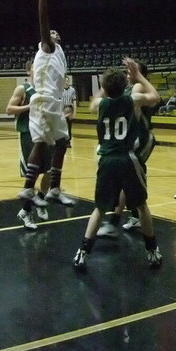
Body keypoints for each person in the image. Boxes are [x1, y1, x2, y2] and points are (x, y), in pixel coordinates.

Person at [73, 58, 162, 271]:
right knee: (141, 205)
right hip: (127, 158)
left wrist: (103, 88)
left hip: (106, 159)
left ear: (105, 86)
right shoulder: (132, 100)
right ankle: (152, 251)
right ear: (125, 86)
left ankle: (83, 252)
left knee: (100, 208)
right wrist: (139, 76)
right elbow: (156, 97)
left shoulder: (99, 105)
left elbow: (95, 99)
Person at [17, 0, 74, 232]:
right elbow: (43, 18)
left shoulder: (60, 52)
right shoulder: (47, 47)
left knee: (62, 141)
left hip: (53, 102)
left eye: (56, 32)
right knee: (40, 143)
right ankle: (29, 190)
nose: (53, 33)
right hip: (42, 101)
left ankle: (53, 188)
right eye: (50, 32)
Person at [97, 59, 155, 237]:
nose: (128, 72)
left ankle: (116, 220)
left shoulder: (137, 88)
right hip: (129, 140)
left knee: (126, 177)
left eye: (132, 70)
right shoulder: (127, 90)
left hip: (142, 139)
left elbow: (153, 98)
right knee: (126, 178)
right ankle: (135, 214)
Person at [6, 60, 52, 221]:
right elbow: (9, 109)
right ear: (28, 71)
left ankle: (41, 199)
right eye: (36, 67)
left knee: (49, 172)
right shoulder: (23, 89)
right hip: (28, 135)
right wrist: (29, 106)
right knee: (31, 176)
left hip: (46, 134)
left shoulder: (47, 90)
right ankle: (26, 212)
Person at [62, 76, 77, 147]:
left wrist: (74, 112)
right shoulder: (60, 89)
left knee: (69, 126)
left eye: (68, 81)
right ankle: (63, 141)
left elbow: (74, 101)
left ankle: (68, 141)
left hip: (69, 109)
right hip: (62, 109)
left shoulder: (72, 90)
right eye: (65, 80)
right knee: (63, 127)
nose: (66, 82)